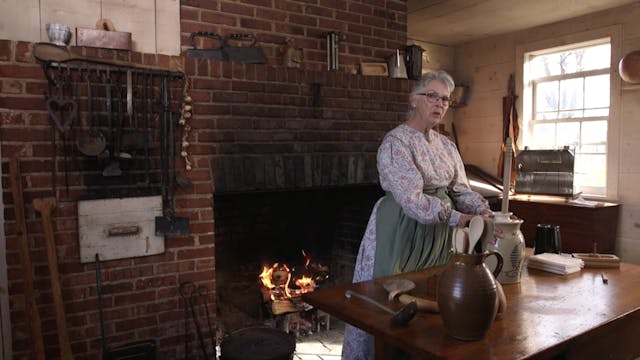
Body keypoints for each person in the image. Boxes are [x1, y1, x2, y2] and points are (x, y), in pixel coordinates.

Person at [341, 70, 494, 360]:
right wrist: (459, 219)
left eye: (445, 99)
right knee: (395, 304)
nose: (439, 104)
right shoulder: (396, 142)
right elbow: (412, 201)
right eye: (432, 96)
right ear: (413, 100)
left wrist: (484, 211)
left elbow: (461, 189)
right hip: (402, 230)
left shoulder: (447, 146)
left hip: (440, 234)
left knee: (435, 303)